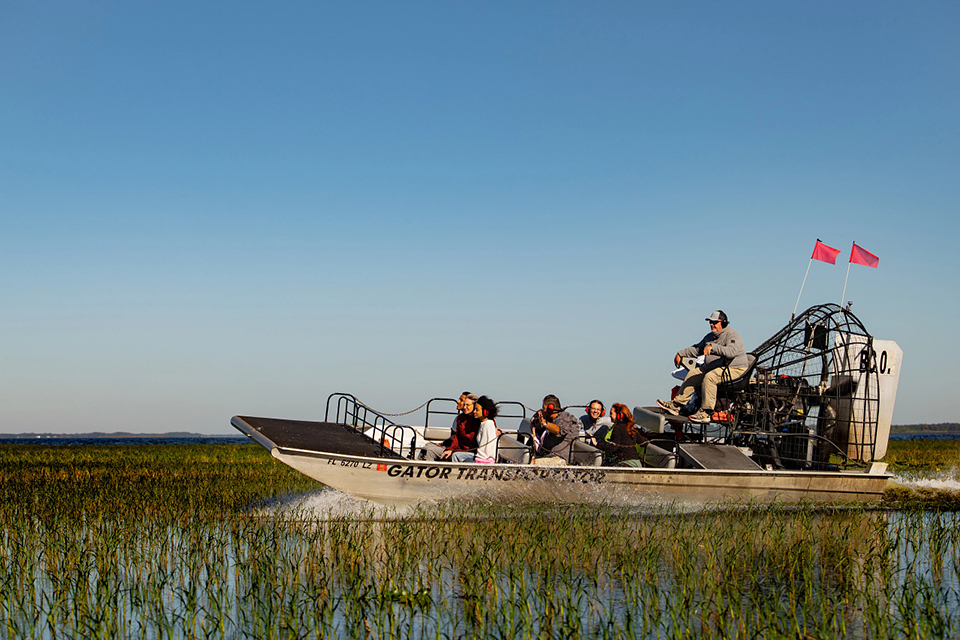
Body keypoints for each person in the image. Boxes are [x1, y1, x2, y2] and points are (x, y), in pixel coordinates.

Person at [657, 310, 749, 423]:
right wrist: (681, 353)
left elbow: (732, 352)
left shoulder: (732, 335)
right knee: (693, 374)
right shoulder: (710, 337)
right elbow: (697, 349)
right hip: (716, 366)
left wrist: (713, 348)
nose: (712, 325)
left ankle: (706, 412)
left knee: (710, 377)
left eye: (715, 322)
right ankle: (677, 405)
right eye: (710, 322)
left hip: (735, 369)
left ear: (724, 323)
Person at [530, 394, 580, 462]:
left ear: (551, 409)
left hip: (559, 459)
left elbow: (558, 430)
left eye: (544, 409)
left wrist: (544, 423)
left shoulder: (565, 418)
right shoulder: (553, 420)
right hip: (547, 456)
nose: (543, 411)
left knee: (534, 463)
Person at [451, 396, 499, 463]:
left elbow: (487, 448)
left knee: (458, 457)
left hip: (483, 460)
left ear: (485, 412)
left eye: (477, 410)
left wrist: (477, 460)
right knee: (456, 455)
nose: (474, 412)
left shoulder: (488, 424)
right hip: (479, 456)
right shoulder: (482, 423)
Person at [439, 393, 480, 460]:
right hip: (461, 449)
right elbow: (457, 436)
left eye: (468, 405)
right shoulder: (460, 418)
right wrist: (450, 449)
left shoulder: (479, 419)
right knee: (445, 456)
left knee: (454, 456)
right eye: (464, 405)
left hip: (473, 451)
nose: (464, 407)